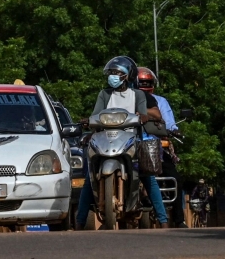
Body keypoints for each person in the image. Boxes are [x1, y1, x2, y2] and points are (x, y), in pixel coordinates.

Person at [75, 56, 169, 229]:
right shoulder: (104, 94)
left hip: (131, 137)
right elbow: (96, 114)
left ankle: (163, 220)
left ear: (128, 75)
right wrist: (88, 123)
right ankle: (79, 222)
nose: (113, 76)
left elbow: (141, 116)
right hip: (105, 137)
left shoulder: (138, 95)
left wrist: (145, 117)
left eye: (117, 73)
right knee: (90, 177)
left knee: (147, 176)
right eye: (111, 73)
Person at [136, 67, 186, 227]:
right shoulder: (127, 99)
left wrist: (174, 130)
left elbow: (168, 121)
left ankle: (179, 220)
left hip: (155, 147)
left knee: (175, 179)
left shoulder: (160, 101)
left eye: (147, 82)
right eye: (141, 82)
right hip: (129, 146)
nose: (144, 85)